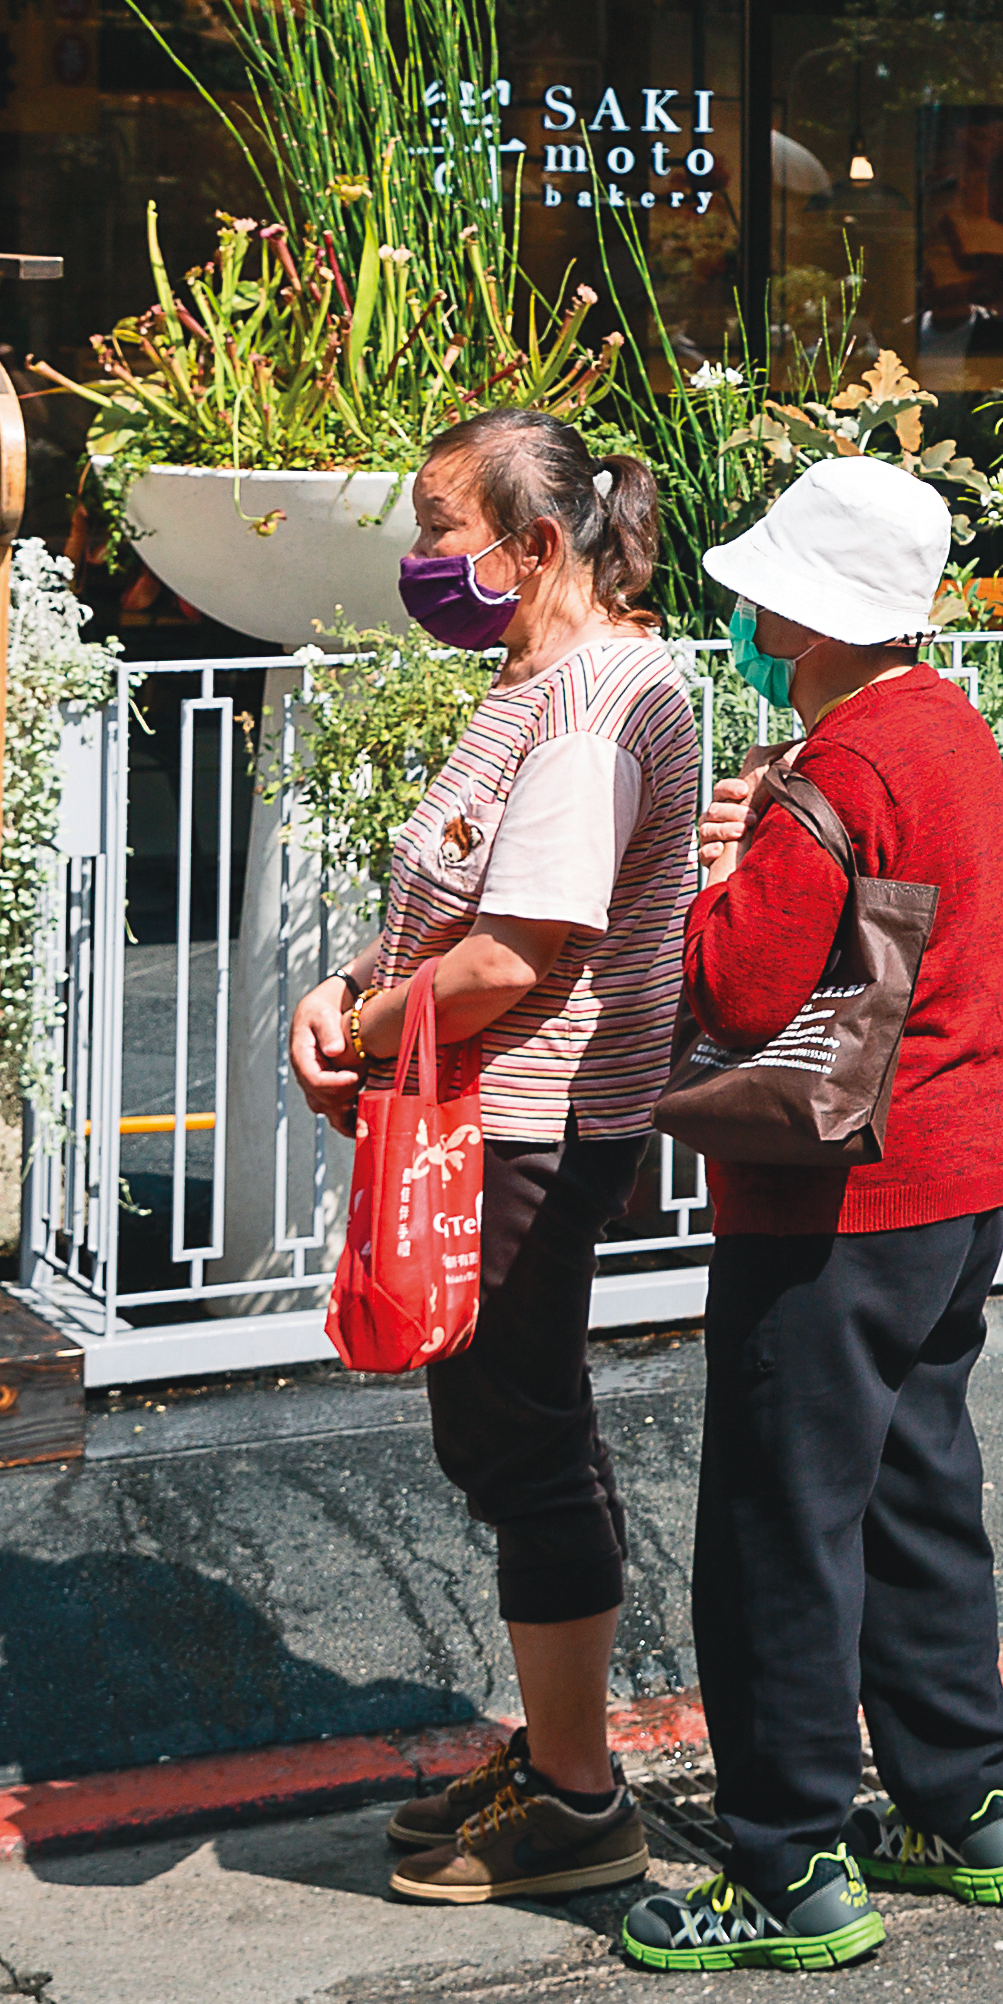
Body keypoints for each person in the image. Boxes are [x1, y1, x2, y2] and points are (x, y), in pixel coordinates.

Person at [617, 459, 1003, 1976]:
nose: (747, 614)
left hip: (834, 1200)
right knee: (919, 1490)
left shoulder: (833, 771)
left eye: (765, 594)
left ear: (805, 611)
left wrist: (721, 868)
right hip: (961, 1180)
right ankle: (966, 1801)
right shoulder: (949, 729)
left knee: (778, 1527)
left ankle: (787, 1864)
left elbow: (737, 984)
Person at [288, 410, 711, 1908]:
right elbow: (452, 902)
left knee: (521, 1440)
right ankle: (556, 1756)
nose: (419, 561)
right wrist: (348, 994)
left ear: (537, 547)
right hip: (479, 1110)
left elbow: (520, 956)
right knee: (504, 1431)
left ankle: (582, 1801)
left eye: (440, 529)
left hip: (531, 1121)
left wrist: (378, 1026)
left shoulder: (595, 702)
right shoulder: (531, 680)